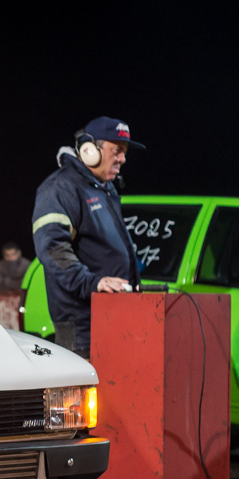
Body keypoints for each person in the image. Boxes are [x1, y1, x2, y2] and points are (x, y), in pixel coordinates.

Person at [31, 116, 142, 357]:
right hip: (82, 329)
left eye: (124, 152)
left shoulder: (104, 188)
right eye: (117, 150)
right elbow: (52, 248)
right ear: (89, 150)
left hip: (111, 319)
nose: (123, 159)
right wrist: (93, 283)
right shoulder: (60, 188)